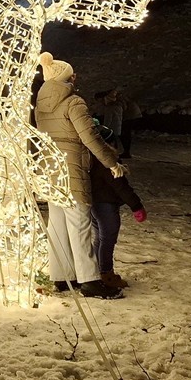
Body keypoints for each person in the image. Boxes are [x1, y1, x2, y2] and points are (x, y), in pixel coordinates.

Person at [33, 52, 128, 300]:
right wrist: (112, 162)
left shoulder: (40, 103)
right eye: (72, 75)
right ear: (66, 77)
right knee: (80, 223)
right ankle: (89, 280)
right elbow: (90, 137)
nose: (75, 79)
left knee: (57, 223)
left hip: (49, 166)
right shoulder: (74, 102)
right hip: (71, 165)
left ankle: (62, 276)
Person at [88, 123, 146, 288]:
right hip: (105, 204)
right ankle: (106, 273)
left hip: (94, 204)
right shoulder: (107, 162)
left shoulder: (92, 160)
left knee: (100, 238)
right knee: (108, 239)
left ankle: (99, 270)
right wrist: (136, 206)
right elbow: (121, 187)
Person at [119, 89, 142, 159]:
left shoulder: (121, 100)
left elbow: (124, 109)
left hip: (130, 117)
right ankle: (126, 151)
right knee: (126, 133)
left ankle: (126, 151)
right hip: (134, 116)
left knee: (125, 133)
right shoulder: (126, 99)